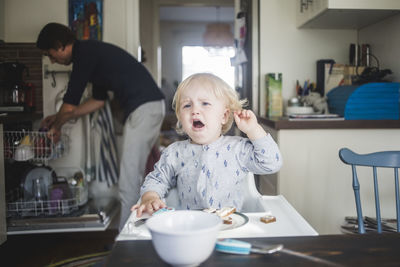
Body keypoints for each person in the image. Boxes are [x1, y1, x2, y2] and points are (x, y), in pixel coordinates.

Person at [36, 23, 165, 230]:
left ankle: (127, 241)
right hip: (148, 107)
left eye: (50, 54)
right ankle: (140, 233)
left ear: (60, 45)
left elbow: (69, 106)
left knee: (128, 181)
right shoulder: (91, 53)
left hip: (144, 108)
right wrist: (57, 118)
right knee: (137, 176)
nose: (53, 61)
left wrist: (57, 127)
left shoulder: (83, 54)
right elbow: (98, 101)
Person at [132, 73, 282, 217]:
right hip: (190, 226)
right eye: (187, 105)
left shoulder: (238, 149)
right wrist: (149, 197)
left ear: (224, 116)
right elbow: (157, 179)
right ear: (180, 118)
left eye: (205, 103)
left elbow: (271, 163)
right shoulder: (174, 153)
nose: (195, 110)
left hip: (231, 224)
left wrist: (254, 130)